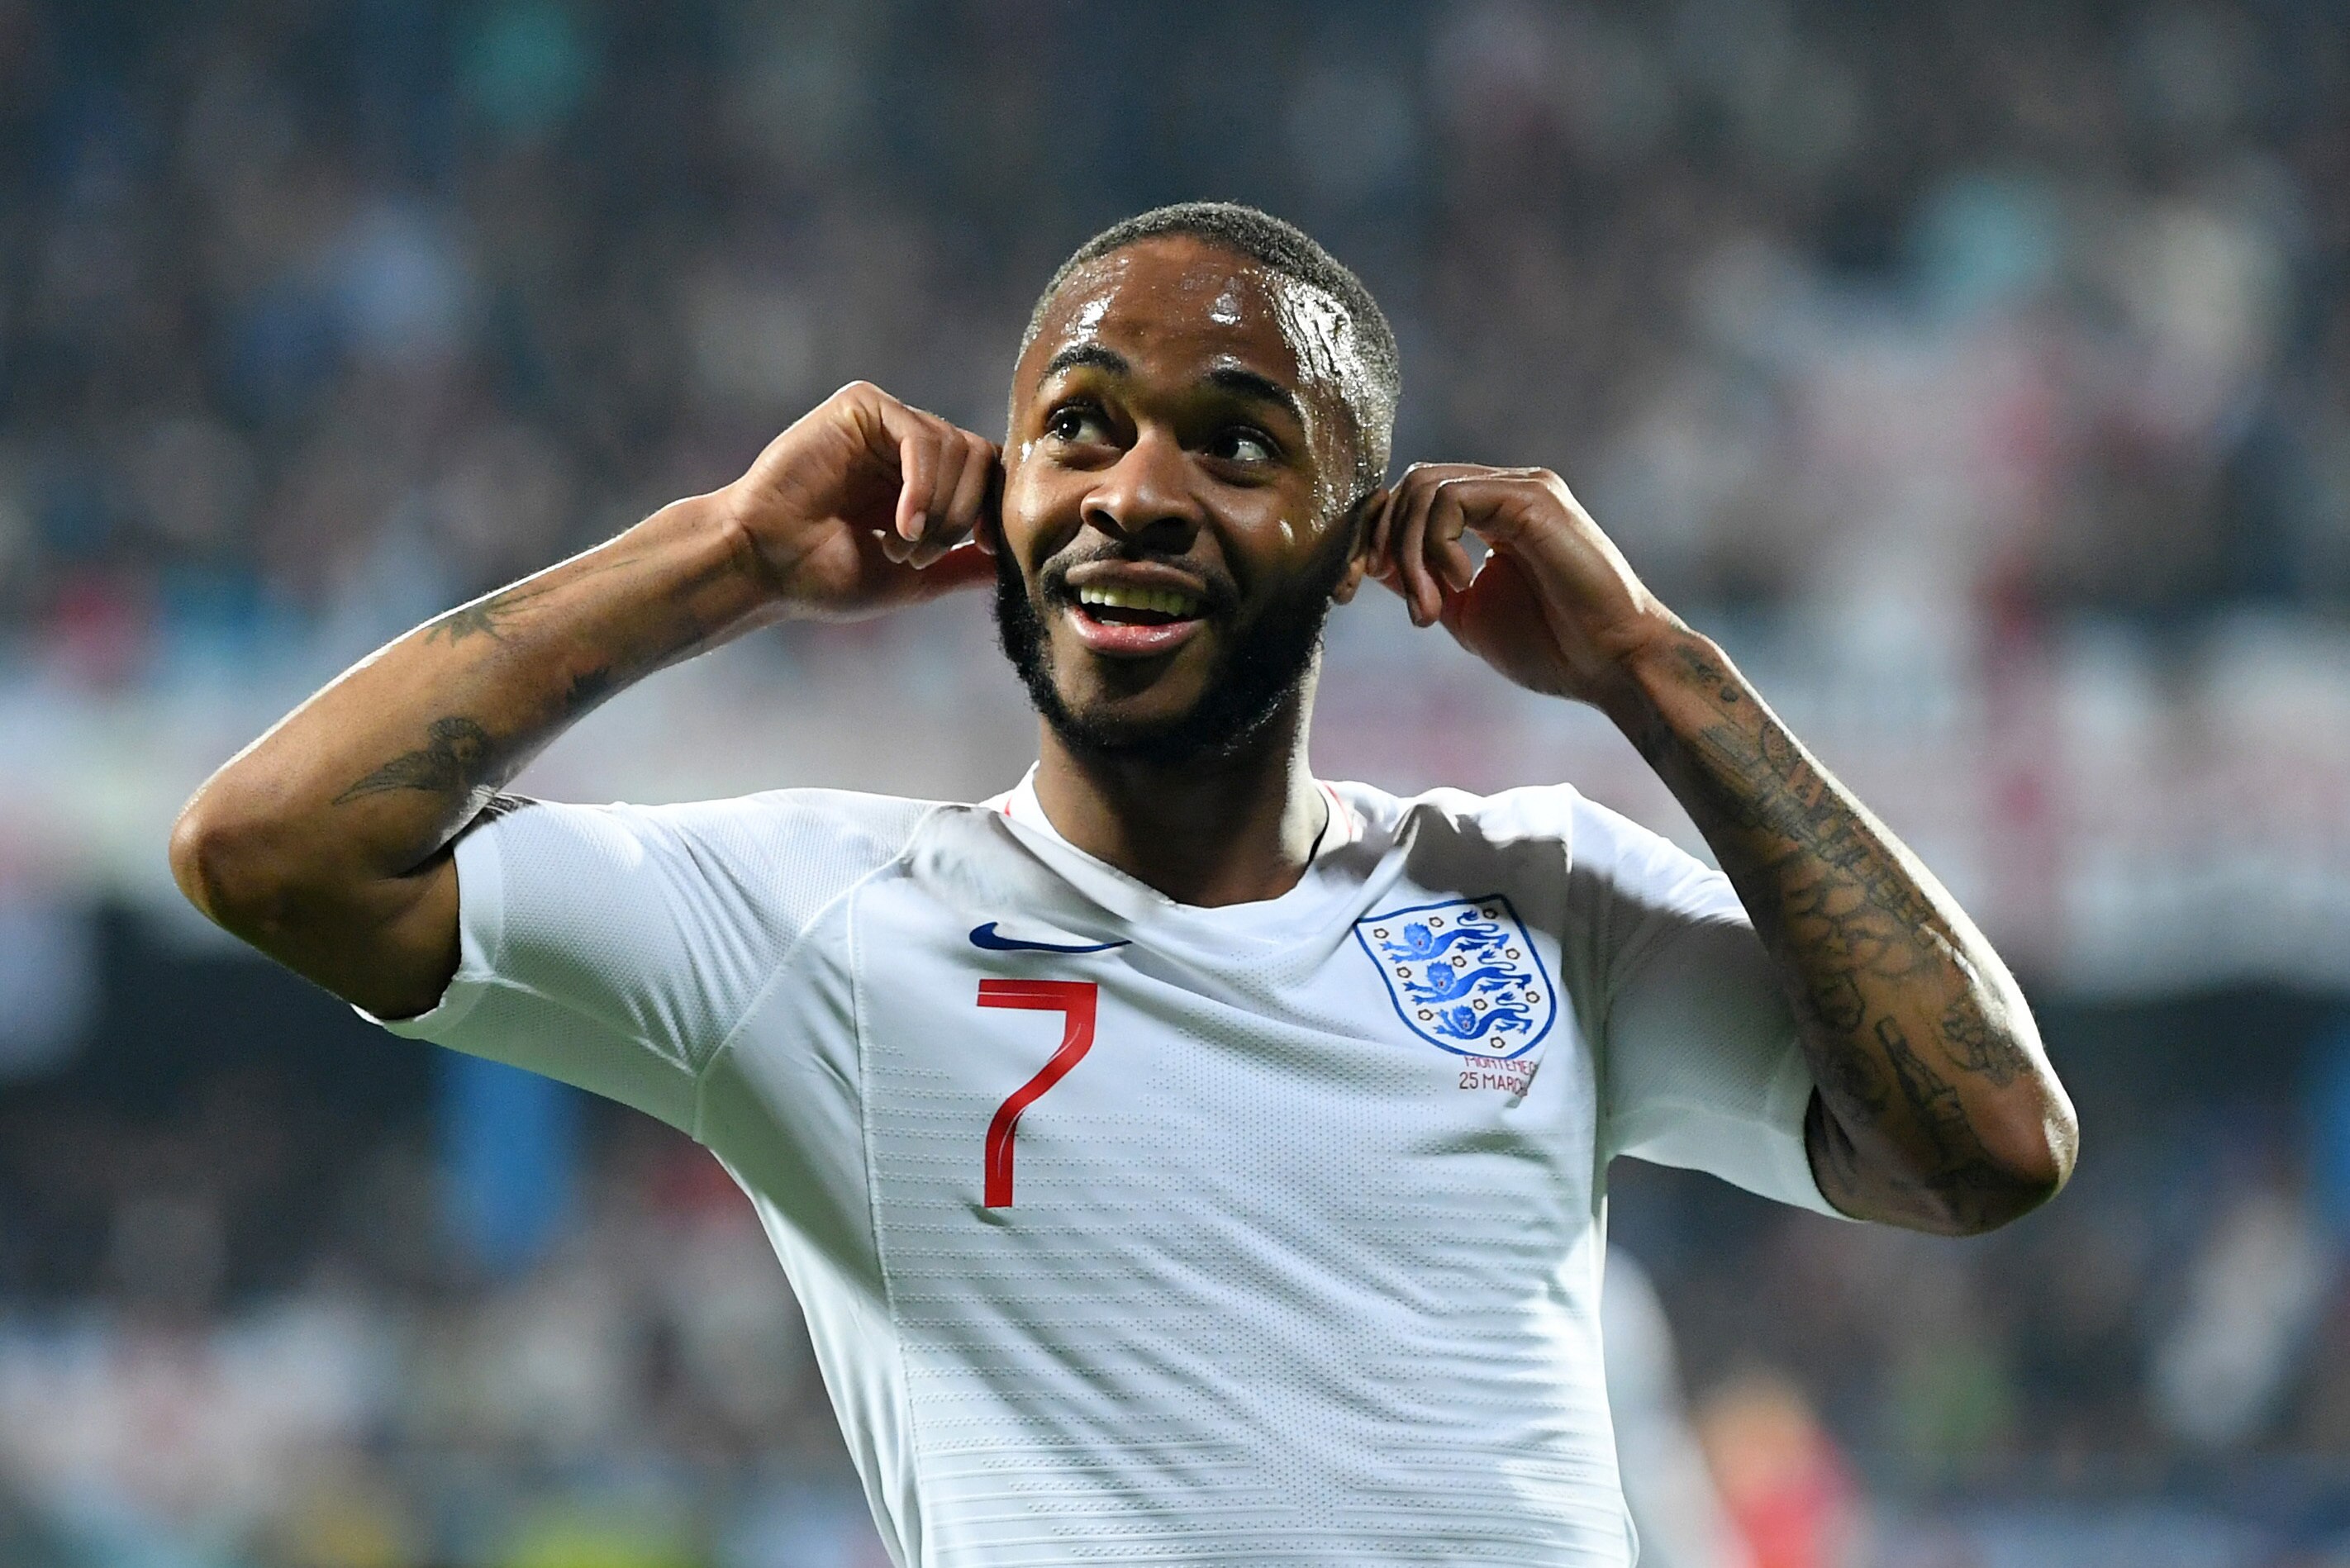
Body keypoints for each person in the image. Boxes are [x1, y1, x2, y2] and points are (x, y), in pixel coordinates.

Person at [170, 202, 2076, 1566]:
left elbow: (1988, 1143)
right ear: (1008, 502)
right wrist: (726, 552)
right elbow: (271, 849)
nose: (1138, 489)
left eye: (1236, 443)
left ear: (1358, 542)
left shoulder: (1540, 900)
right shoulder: (820, 926)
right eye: (1080, 424)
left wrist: (1655, 667)